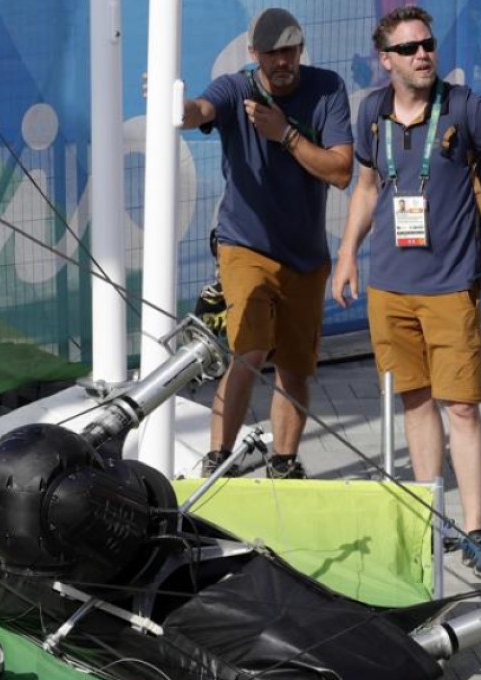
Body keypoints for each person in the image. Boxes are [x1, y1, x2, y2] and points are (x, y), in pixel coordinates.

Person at [331, 6, 481, 578]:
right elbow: (367, 187)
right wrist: (347, 254)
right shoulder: (372, 111)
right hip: (390, 288)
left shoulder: (464, 107)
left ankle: (476, 531)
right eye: (408, 48)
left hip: (452, 287)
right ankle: (435, 522)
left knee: (463, 408)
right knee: (415, 401)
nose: (423, 54)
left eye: (427, 44)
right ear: (386, 61)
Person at [180, 8, 354, 479]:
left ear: (301, 50)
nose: (283, 61)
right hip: (245, 245)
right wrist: (174, 109)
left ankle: (283, 462)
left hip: (306, 255)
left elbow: (341, 171)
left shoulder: (327, 88)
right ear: (253, 53)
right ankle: (218, 458)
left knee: (295, 367)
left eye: (290, 50)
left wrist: (285, 135)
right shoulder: (236, 88)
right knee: (251, 351)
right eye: (273, 52)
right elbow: (200, 111)